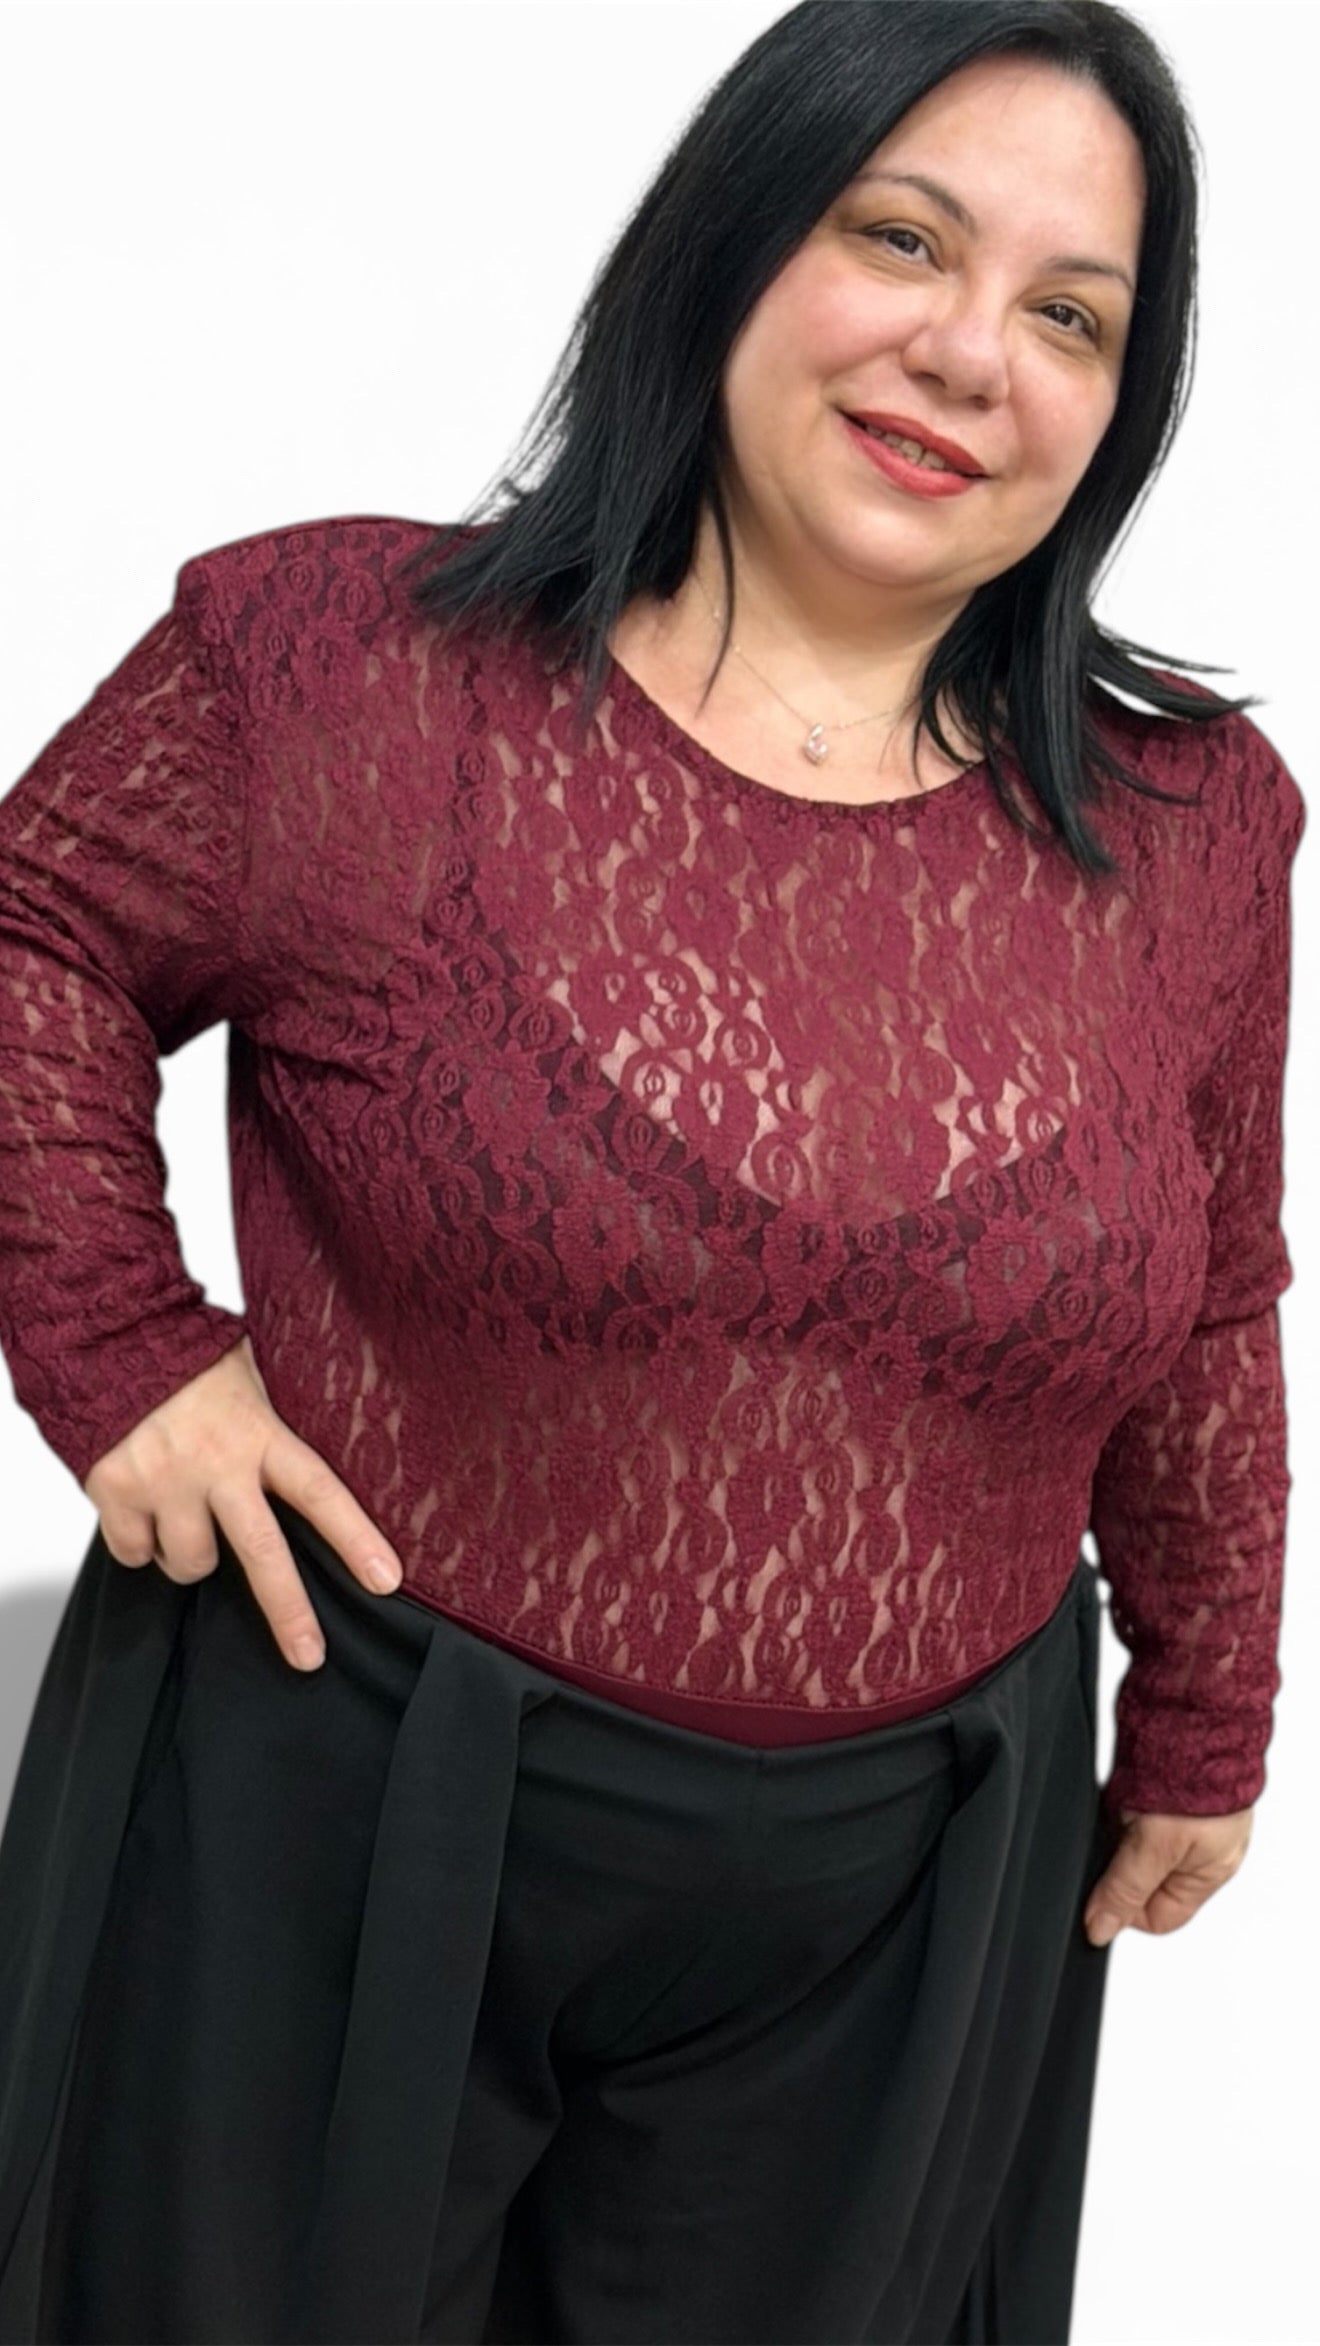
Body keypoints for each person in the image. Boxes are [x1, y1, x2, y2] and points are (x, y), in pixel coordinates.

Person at [0, 1, 1305, 2340]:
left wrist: (1208, 1706)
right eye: (900, 238)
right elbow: (31, 932)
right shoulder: (339, 668)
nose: (970, 355)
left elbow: (1213, 1294)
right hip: (333, 1803)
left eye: (1072, 317)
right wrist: (115, 1341)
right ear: (731, 237)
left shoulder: (1200, 827)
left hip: (911, 1906)